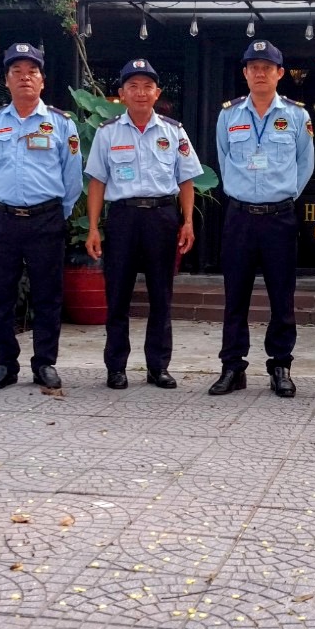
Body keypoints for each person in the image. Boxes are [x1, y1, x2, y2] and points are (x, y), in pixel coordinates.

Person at [84, 58, 202, 389]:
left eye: (147, 86)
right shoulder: (108, 133)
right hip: (123, 218)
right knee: (117, 294)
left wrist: (188, 221)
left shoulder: (173, 131)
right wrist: (93, 227)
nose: (140, 92)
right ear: (121, 93)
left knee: (161, 295)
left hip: (162, 218)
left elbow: (187, 180)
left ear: (157, 92)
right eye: (133, 86)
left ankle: (158, 366)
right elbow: (96, 181)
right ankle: (116, 366)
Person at [209, 38, 314, 398]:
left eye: (267, 68)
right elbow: (223, 160)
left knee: (281, 296)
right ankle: (232, 367)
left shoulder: (297, 116)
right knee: (234, 295)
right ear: (244, 73)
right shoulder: (228, 115)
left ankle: (280, 366)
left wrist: (286, 196)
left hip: (279, 218)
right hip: (239, 216)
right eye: (253, 68)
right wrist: (242, 191)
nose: (260, 73)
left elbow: (305, 163)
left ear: (280, 73)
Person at [0, 42, 83, 390]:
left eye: (31, 72)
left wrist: (55, 213)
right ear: (7, 81)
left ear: (42, 80)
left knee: (47, 294)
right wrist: (5, 201)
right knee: (0, 294)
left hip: (45, 219)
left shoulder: (61, 124)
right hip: (3, 219)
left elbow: (72, 178)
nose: (25, 78)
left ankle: (45, 363)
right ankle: (5, 364)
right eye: (17, 73)